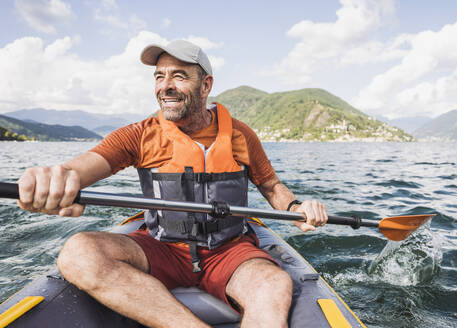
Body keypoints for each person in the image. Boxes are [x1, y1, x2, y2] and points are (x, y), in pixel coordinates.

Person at [17, 40, 328, 328]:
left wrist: (296, 207)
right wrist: (54, 179)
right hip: (161, 247)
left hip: (229, 250)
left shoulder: (240, 135)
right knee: (78, 253)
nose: (165, 86)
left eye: (179, 76)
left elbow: (271, 185)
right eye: (159, 77)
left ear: (206, 85)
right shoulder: (139, 134)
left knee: (273, 284)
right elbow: (78, 169)